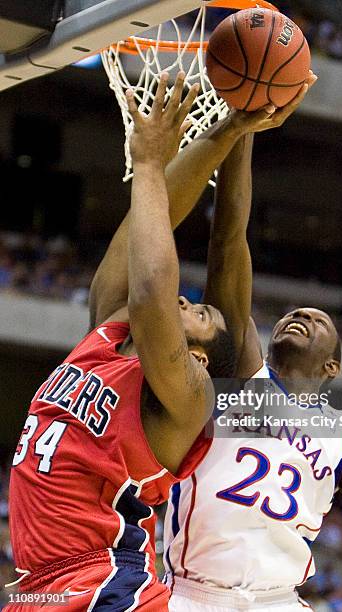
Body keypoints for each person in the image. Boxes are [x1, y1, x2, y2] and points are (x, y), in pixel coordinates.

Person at [163, 76, 342, 610]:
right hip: (192, 594)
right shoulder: (240, 375)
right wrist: (242, 130)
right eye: (293, 314)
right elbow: (230, 238)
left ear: (333, 367)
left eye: (316, 320)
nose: (299, 317)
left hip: (279, 599)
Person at [5, 74, 230, 612]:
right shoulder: (107, 336)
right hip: (43, 586)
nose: (184, 302)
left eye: (199, 313)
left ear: (198, 357)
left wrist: (150, 164)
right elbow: (138, 246)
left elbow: (155, 289)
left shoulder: (189, 396)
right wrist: (226, 133)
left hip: (108, 586)